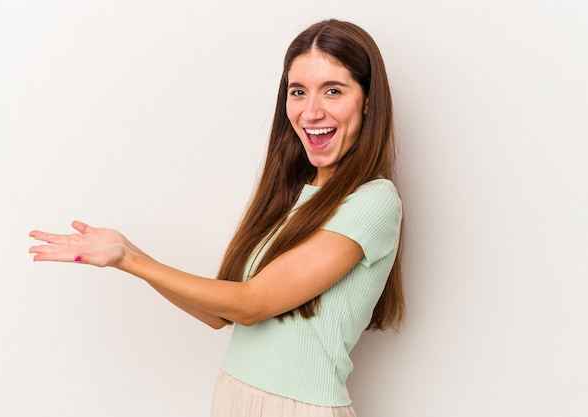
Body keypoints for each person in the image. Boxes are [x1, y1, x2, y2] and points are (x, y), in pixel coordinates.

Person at [29, 19, 404, 417]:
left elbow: (251, 304)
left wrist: (129, 258)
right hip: (235, 396)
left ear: (367, 100)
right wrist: (129, 255)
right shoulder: (290, 195)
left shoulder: (373, 201)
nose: (311, 112)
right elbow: (220, 314)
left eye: (333, 90)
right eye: (298, 92)